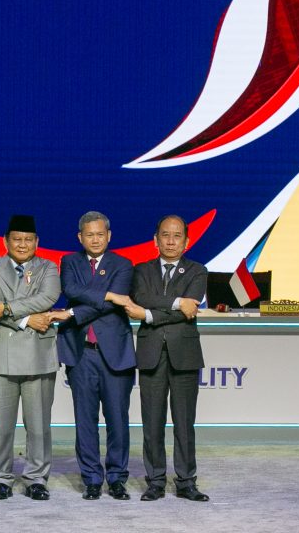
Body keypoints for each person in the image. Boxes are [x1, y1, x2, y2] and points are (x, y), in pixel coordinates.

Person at [49, 211, 136, 501]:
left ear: (109, 236)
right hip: (81, 354)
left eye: (100, 234)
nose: (95, 239)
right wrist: (108, 294)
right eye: (89, 235)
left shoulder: (123, 265)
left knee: (117, 420)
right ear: (80, 237)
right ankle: (92, 479)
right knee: (85, 421)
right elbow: (71, 289)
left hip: (115, 354)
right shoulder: (69, 262)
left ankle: (117, 478)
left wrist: (71, 313)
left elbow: (108, 306)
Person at [124, 215, 209, 502]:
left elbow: (188, 310)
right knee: (152, 422)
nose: (171, 241)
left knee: (184, 423)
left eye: (177, 236)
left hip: (184, 355)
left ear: (186, 241)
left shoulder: (198, 271)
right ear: (155, 239)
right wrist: (176, 302)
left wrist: (148, 315)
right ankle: (156, 481)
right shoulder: (141, 270)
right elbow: (141, 297)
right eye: (165, 235)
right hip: (151, 354)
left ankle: (186, 481)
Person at [0, 214, 60, 501]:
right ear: (6, 241)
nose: (22, 245)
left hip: (39, 353)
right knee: (0, 426)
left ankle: (36, 478)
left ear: (37, 242)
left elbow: (47, 298)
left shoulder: (48, 267)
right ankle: (1, 478)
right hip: (1, 354)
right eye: (17, 239)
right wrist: (26, 320)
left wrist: (6, 308)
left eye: (28, 240)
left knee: (38, 425)